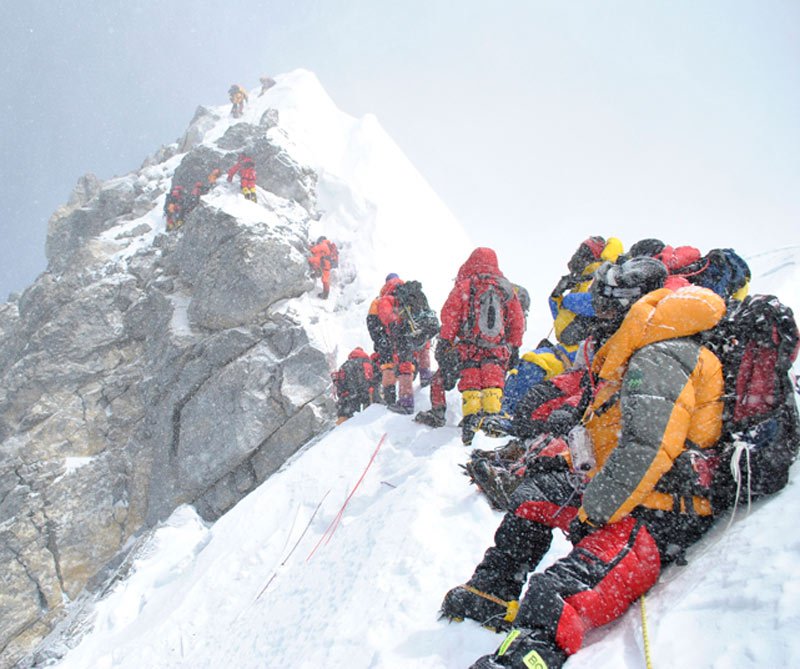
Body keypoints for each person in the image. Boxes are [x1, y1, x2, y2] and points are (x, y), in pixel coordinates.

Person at [444, 257, 729, 669]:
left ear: (629, 307)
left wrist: (594, 512)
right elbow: (608, 432)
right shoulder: (635, 352)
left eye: (606, 307)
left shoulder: (661, 357)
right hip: (628, 496)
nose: (598, 317)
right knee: (532, 500)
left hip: (659, 514)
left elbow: (644, 452)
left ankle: (525, 660)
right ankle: (492, 592)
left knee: (554, 594)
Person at [438, 248, 525, 445]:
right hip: (496, 347)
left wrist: (446, 340)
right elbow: (517, 319)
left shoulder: (466, 285)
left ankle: (471, 419)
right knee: (493, 380)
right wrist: (514, 344)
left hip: (470, 346)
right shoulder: (506, 288)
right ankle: (492, 418)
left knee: (471, 380)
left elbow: (450, 315)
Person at [548, 236, 623, 363]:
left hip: (586, 348)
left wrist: (568, 300)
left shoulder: (603, 277)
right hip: (569, 347)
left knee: (535, 363)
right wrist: (555, 297)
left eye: (585, 251)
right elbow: (564, 318)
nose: (578, 255)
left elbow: (598, 305)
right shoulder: (581, 280)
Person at [331, 347, 375, 424]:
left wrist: (342, 395)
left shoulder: (345, 365)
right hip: (362, 392)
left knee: (344, 421)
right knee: (368, 416)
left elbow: (339, 382)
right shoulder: (365, 362)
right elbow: (368, 377)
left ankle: (340, 432)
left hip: (346, 396)